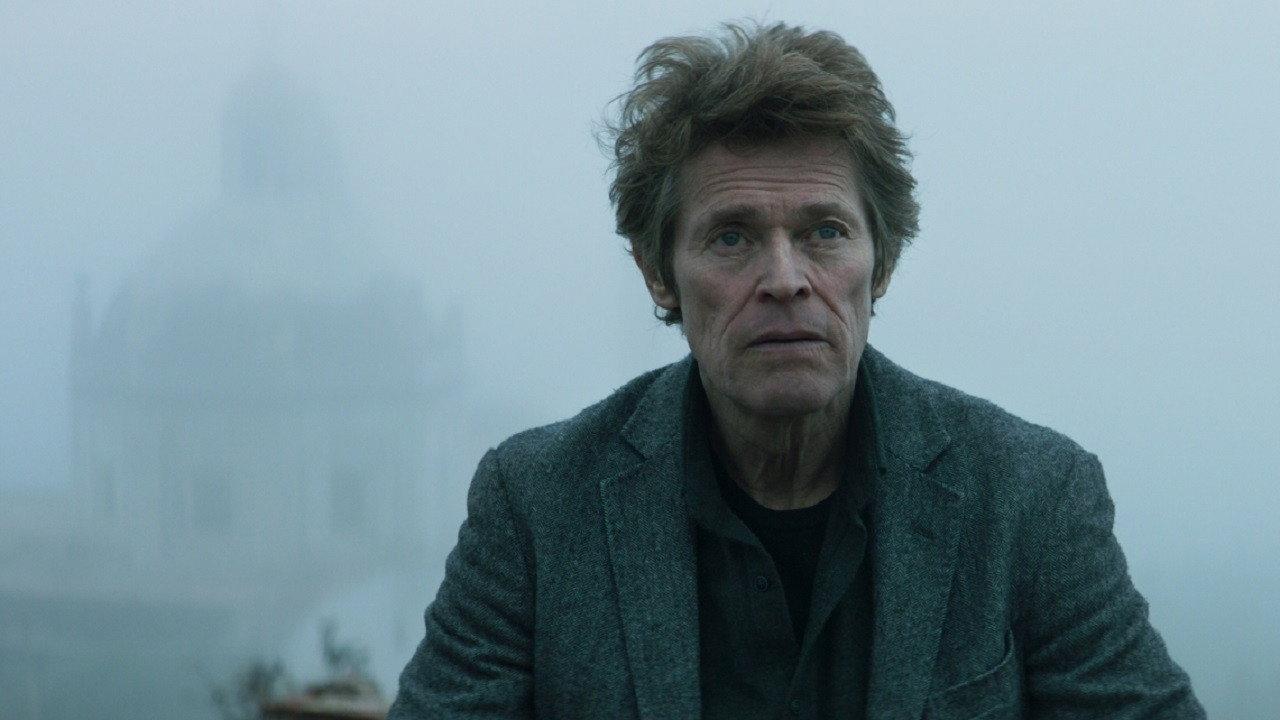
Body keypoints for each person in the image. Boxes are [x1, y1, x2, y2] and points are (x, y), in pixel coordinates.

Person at [388, 22, 1204, 719]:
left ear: (882, 263)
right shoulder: (536, 506)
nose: (785, 278)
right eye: (732, 237)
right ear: (658, 273)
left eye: (824, 232)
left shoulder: (1031, 497)